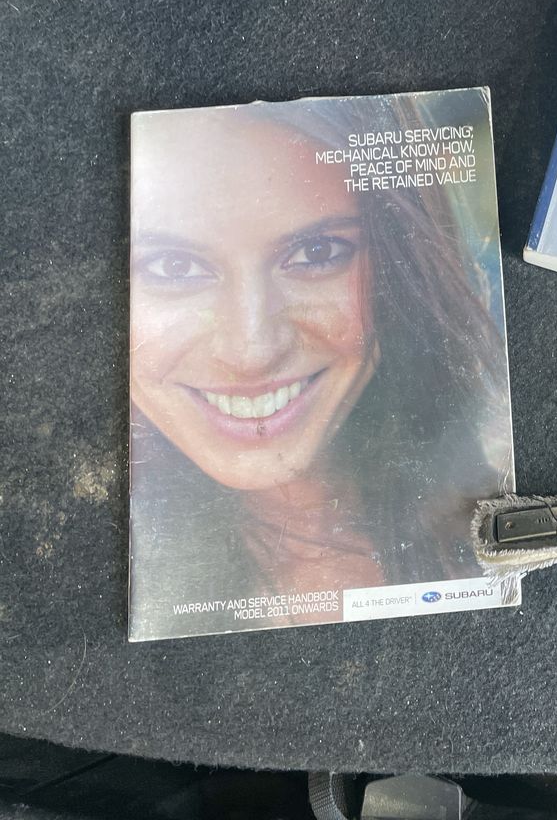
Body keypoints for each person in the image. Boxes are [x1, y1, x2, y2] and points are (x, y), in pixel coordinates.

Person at [127, 95, 511, 638]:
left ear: (401, 270)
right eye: (174, 266)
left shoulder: (501, 517)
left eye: (316, 253)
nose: (251, 352)